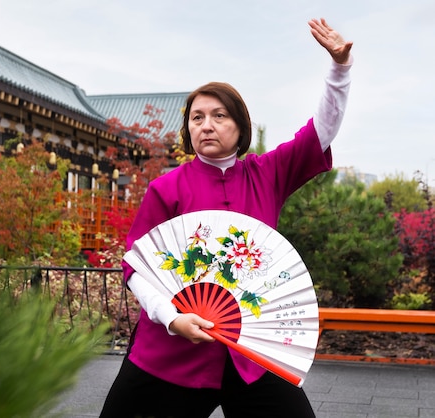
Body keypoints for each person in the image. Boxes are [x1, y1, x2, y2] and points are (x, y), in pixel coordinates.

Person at [99, 18, 353, 418]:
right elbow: (137, 269)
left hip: (250, 353)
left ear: (240, 126)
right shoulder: (166, 189)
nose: (207, 125)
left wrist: (340, 68)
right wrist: (173, 319)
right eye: (197, 118)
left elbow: (321, 131)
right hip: (169, 354)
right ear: (187, 130)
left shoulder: (267, 174)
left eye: (219, 116)